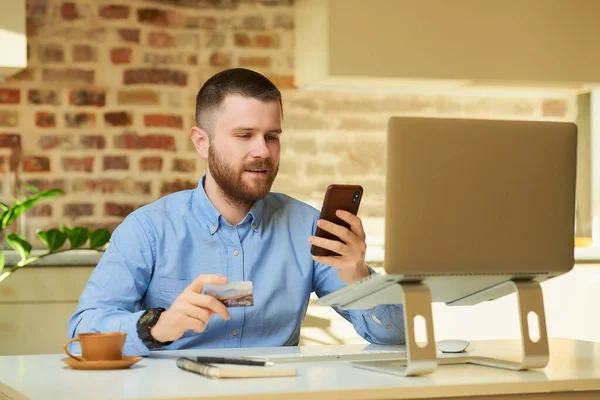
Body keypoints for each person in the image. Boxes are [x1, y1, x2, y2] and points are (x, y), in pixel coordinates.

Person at [67, 68, 405, 355]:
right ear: (202, 142)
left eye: (272, 136)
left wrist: (356, 276)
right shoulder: (148, 229)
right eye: (244, 135)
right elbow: (82, 335)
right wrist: (157, 326)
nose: (262, 151)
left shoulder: (308, 226)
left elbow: (397, 337)